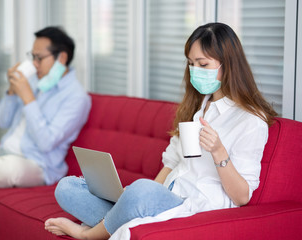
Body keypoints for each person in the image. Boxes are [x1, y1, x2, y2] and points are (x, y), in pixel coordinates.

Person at [44, 22, 277, 239]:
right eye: (191, 63)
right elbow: (172, 163)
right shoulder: (199, 108)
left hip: (194, 208)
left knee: (141, 191)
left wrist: (218, 152)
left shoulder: (250, 120)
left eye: (203, 64)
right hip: (164, 197)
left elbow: (242, 197)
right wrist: (137, 196)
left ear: (229, 64)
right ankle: (123, 217)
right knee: (68, 187)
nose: (195, 70)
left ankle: (88, 234)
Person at [0, 26, 91, 240]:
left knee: (8, 168)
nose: (34, 64)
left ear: (62, 58)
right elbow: (2, 120)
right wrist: (12, 92)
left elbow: (46, 142)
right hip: (0, 152)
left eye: (39, 58)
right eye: (32, 57)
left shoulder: (77, 98)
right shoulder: (33, 82)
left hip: (37, 165)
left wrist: (28, 99)